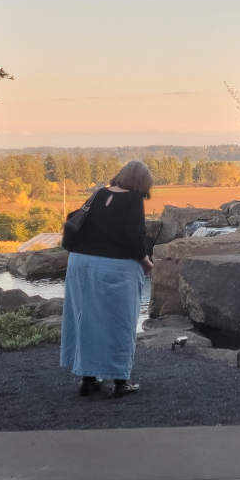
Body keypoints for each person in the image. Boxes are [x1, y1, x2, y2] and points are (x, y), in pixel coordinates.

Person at [61, 159, 154, 399]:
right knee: (120, 322)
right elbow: (134, 237)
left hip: (79, 262)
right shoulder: (133, 199)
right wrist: (145, 260)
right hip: (115, 267)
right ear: (142, 182)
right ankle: (121, 381)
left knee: (86, 319)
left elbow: (75, 221)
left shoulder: (99, 194)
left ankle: (88, 379)